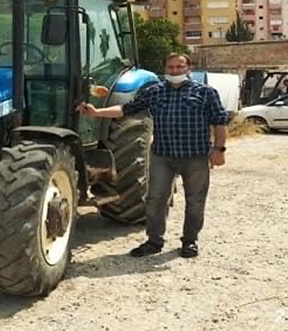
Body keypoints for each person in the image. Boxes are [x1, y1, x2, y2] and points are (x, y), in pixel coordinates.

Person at [78, 53, 229, 258]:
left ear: (188, 68)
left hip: (196, 157)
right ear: (165, 69)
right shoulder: (155, 92)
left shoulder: (205, 92)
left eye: (179, 67)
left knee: (195, 200)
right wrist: (97, 112)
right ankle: (154, 241)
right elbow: (125, 109)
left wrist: (219, 150)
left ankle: (190, 241)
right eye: (171, 67)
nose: (175, 71)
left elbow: (220, 120)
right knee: (155, 199)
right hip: (163, 157)